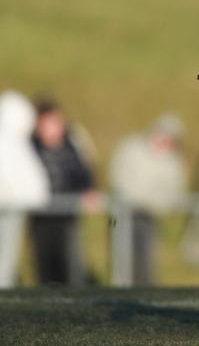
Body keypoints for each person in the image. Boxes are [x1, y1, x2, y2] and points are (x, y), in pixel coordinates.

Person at [109, 114, 187, 286]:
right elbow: (119, 178)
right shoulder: (131, 148)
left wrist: (152, 203)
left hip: (150, 216)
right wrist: (139, 199)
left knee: (145, 259)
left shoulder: (172, 161)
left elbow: (173, 192)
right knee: (123, 258)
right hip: (125, 214)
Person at [29, 100, 98, 286]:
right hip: (42, 216)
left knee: (70, 261)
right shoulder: (31, 147)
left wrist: (88, 190)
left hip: (67, 214)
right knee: (45, 262)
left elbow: (84, 172)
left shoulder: (72, 145)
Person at [0, 91, 49, 287]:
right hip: (10, 209)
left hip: (10, 208)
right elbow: (35, 186)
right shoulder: (13, 142)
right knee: (5, 255)